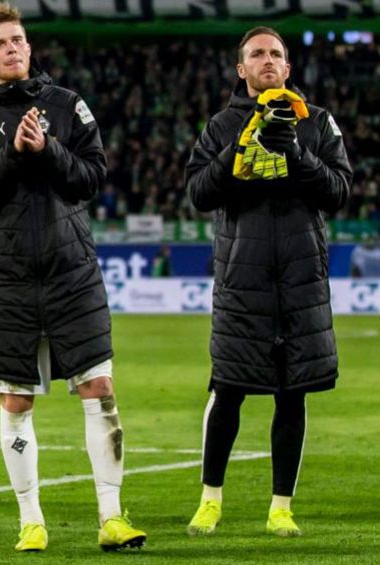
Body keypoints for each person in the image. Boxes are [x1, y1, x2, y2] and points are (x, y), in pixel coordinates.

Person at [0, 3, 146, 552]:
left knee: (99, 390)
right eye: (1, 43)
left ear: (29, 48)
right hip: (7, 278)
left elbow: (92, 179)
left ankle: (112, 517)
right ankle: (31, 521)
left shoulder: (67, 106)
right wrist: (13, 155)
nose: (13, 49)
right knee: (15, 402)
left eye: (19, 40)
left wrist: (49, 148)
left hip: (71, 272)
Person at [184, 26, 351, 538]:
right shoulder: (220, 125)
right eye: (257, 54)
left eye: (276, 53)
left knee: (292, 393)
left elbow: (340, 192)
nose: (268, 60)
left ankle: (281, 506)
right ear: (241, 69)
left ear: (288, 67)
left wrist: (297, 154)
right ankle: (210, 498)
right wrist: (239, 147)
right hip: (243, 280)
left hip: (300, 279)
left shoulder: (318, 122)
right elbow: (198, 193)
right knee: (227, 389)